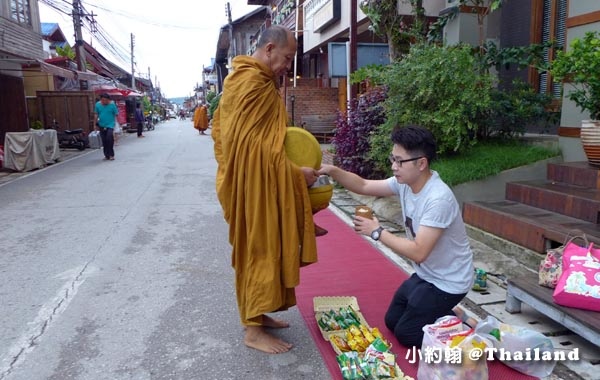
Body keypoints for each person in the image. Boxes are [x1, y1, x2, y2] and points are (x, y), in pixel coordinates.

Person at [212, 25, 319, 354]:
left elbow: (228, 131)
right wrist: (294, 173)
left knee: (272, 241)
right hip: (251, 184)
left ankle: (259, 312)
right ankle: (252, 329)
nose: (288, 65)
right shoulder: (248, 82)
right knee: (259, 247)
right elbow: (247, 147)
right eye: (287, 58)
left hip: (260, 179)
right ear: (270, 49)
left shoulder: (259, 81)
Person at [318, 125, 474, 347]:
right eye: (393, 159)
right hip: (427, 275)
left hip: (449, 282)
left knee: (407, 334)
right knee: (392, 321)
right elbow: (363, 185)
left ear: (421, 163)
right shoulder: (406, 184)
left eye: (400, 161)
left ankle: (466, 335)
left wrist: (377, 231)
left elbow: (419, 252)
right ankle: (449, 314)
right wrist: (332, 171)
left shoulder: (438, 199)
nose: (393, 166)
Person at [94, 93, 119, 160]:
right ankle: (106, 155)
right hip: (101, 124)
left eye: (106, 100)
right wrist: (95, 124)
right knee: (104, 140)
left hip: (110, 124)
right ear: (101, 100)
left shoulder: (112, 105)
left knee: (109, 138)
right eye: (103, 100)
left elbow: (116, 114)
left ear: (109, 100)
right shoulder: (98, 105)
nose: (104, 102)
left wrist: (116, 124)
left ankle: (111, 154)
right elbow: (96, 114)